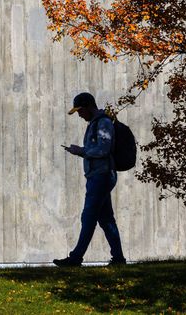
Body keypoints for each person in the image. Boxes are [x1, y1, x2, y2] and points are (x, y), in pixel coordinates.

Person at [53, 92, 126, 267]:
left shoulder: (103, 123)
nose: (79, 114)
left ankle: (76, 258)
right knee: (106, 219)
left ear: (88, 107)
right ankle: (118, 259)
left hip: (102, 176)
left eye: (80, 110)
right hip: (97, 176)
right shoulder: (96, 123)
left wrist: (82, 151)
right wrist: (81, 151)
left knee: (88, 217)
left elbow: (103, 149)